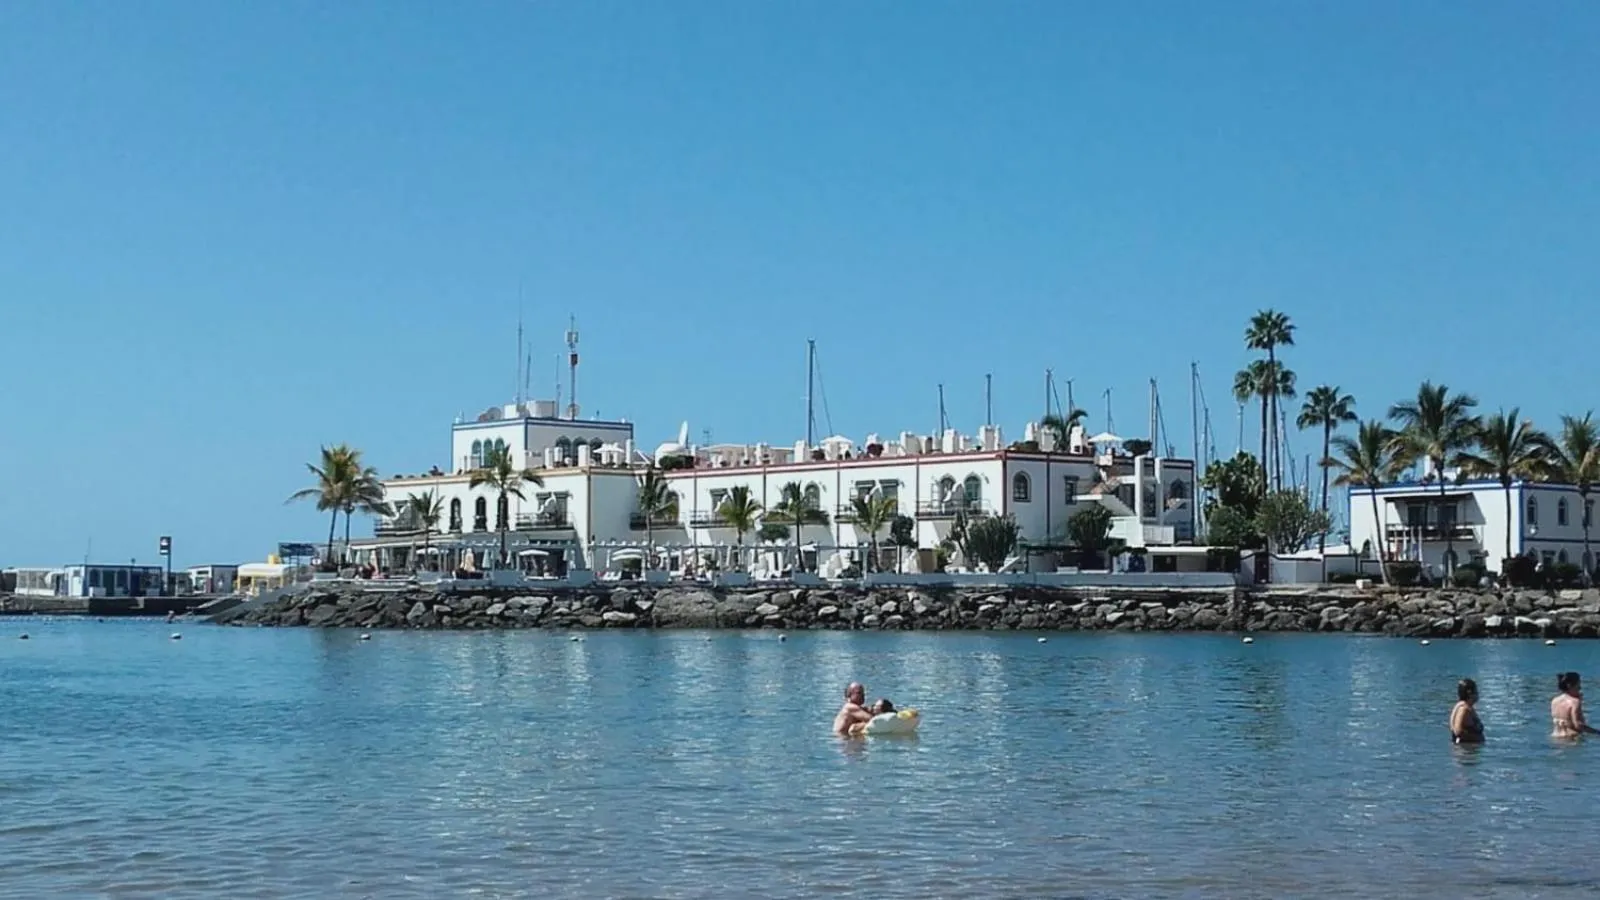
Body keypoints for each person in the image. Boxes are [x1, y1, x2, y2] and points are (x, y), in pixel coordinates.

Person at [1551, 672, 1600, 738]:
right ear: (1570, 685)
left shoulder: (1555, 700)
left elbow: (1564, 720)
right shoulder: (1574, 702)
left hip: (1556, 738)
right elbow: (1578, 725)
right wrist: (1597, 732)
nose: (1580, 688)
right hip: (1571, 740)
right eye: (1578, 685)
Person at [1449, 678, 1484, 744]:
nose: (1478, 694)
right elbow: (1458, 731)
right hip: (1465, 751)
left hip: (1469, 750)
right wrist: (1476, 738)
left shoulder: (1466, 707)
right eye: (1476, 691)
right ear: (1470, 693)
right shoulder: (1463, 709)